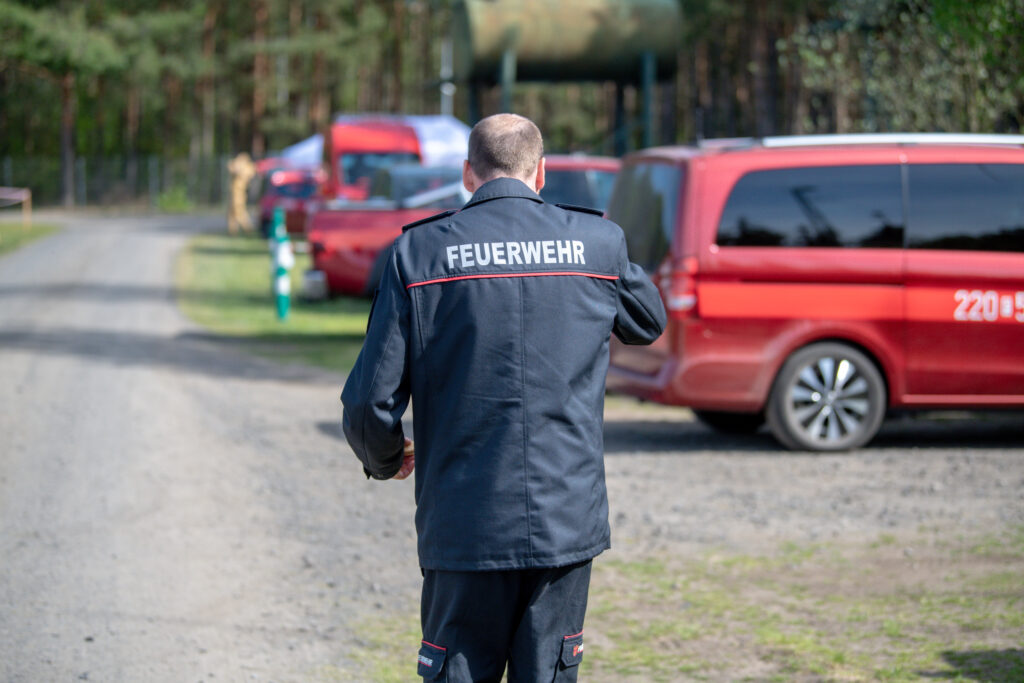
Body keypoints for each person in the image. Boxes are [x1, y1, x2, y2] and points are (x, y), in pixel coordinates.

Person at [341, 113, 666, 682]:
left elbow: (370, 402)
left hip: (464, 522)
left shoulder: (418, 253)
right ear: (542, 173)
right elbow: (648, 322)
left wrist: (387, 459)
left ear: (470, 174)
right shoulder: (598, 242)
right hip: (565, 520)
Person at [226, 152, 256, 234]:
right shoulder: (237, 165)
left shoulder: (247, 168)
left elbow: (249, 173)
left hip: (239, 192)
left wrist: (240, 166)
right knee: (231, 212)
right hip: (233, 192)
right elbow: (230, 167)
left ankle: (248, 228)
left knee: (239, 211)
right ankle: (232, 231)